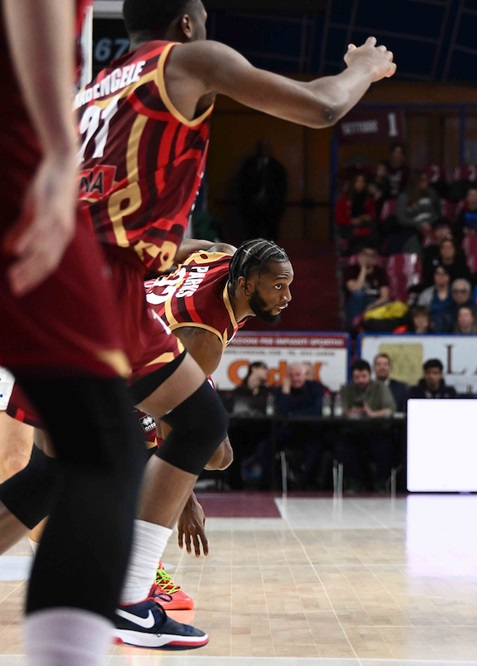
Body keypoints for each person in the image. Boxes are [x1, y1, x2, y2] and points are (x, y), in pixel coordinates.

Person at [30, 0, 393, 649]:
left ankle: (123, 597)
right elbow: (322, 107)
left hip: (50, 274)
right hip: (102, 282)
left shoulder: (96, 88)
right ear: (188, 22)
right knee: (200, 425)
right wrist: (363, 68)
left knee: (47, 478)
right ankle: (132, 600)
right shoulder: (189, 59)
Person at [0, 3, 148, 663]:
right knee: (100, 448)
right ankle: (135, 596)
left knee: (67, 455)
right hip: (16, 150)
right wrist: (62, 150)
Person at [335, 359, 396, 491]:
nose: (361, 380)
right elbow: (340, 410)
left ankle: (381, 482)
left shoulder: (380, 387)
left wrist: (372, 413)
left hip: (376, 429)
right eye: (357, 377)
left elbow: (390, 409)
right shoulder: (347, 388)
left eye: (364, 376)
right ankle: (353, 481)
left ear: (370, 375)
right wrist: (350, 412)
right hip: (354, 430)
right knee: (343, 445)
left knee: (385, 446)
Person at [235, 139, 287, 240]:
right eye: (261, 148)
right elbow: (242, 184)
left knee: (272, 236)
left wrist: (274, 202)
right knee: (252, 235)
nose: (263, 150)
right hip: (252, 207)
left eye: (265, 148)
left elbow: (282, 188)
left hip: (271, 208)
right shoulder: (249, 165)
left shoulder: (276, 167)